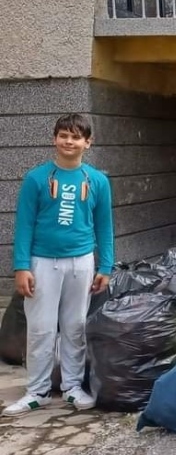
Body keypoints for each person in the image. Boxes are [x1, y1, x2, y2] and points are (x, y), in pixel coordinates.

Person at [4, 114, 114, 418]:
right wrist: (21, 266)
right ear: (54, 139)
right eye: (64, 135)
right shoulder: (36, 178)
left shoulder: (97, 181)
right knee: (40, 328)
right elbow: (24, 225)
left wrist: (105, 265)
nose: (70, 141)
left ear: (88, 143)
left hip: (81, 262)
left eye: (76, 137)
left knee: (75, 326)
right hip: (42, 262)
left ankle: (72, 387)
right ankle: (36, 391)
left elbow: (105, 226)